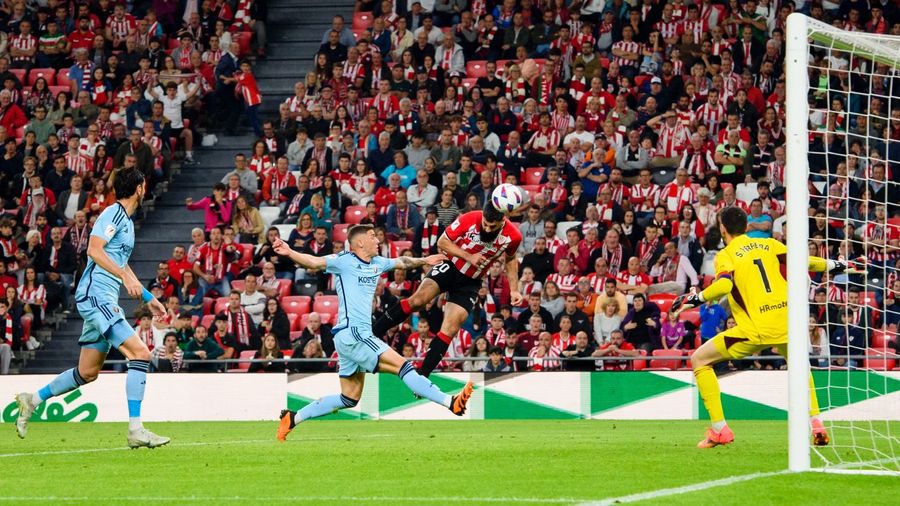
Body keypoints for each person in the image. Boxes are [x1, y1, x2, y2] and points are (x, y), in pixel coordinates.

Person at [15, 168, 169, 448]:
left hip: (102, 299)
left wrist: (148, 297)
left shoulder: (127, 223)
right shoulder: (113, 213)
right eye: (144, 184)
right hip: (96, 296)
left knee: (87, 372)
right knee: (141, 353)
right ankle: (136, 429)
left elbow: (120, 264)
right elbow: (94, 251)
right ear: (139, 188)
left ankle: (31, 400)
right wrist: (123, 277)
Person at [274, 224, 474, 441]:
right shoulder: (344, 261)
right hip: (355, 334)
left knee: (349, 398)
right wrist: (289, 251)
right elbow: (313, 261)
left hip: (347, 337)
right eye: (373, 237)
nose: (378, 240)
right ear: (360, 242)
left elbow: (402, 262)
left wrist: (425, 261)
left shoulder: (377, 263)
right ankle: (450, 402)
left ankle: (293, 418)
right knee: (404, 367)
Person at [670, 206, 847, 448]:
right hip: (787, 322)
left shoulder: (726, 255)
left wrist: (693, 299)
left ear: (723, 229)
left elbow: (723, 286)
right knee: (800, 368)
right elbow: (804, 261)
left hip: (755, 328)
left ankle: (720, 429)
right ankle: (816, 423)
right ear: (746, 227)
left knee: (699, 360)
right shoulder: (770, 244)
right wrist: (838, 265)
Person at [373, 203, 523, 377]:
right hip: (451, 266)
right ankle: (372, 334)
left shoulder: (513, 235)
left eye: (492, 226)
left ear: (502, 221)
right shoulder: (471, 218)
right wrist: (468, 256)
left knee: (450, 328)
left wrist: (514, 290)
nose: (487, 228)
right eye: (485, 224)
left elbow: (511, 259)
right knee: (417, 301)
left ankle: (422, 376)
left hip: (471, 282)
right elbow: (443, 241)